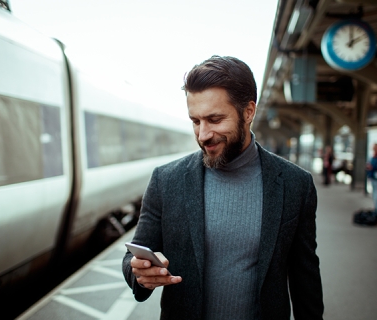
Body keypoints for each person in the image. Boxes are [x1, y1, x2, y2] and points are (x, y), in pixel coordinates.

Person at [122, 56, 324, 319]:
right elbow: (135, 255)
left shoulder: (296, 184)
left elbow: (305, 276)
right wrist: (140, 273)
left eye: (215, 119)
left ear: (248, 112)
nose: (203, 134)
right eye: (196, 121)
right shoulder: (166, 180)